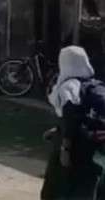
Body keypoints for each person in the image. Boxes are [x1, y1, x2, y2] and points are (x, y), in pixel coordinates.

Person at [41, 46, 102, 199]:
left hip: (75, 145)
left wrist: (65, 148)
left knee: (57, 187)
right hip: (92, 145)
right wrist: (57, 129)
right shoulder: (94, 85)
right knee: (86, 186)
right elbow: (83, 116)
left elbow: (71, 115)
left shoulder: (69, 86)